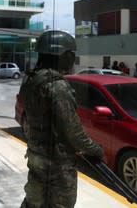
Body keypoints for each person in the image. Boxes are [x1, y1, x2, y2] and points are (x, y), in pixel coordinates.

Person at [19, 30, 104, 208]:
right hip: (57, 165)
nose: (73, 59)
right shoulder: (57, 86)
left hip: (36, 156)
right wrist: (95, 149)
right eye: (71, 54)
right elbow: (73, 132)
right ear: (63, 55)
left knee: (33, 203)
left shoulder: (31, 81)